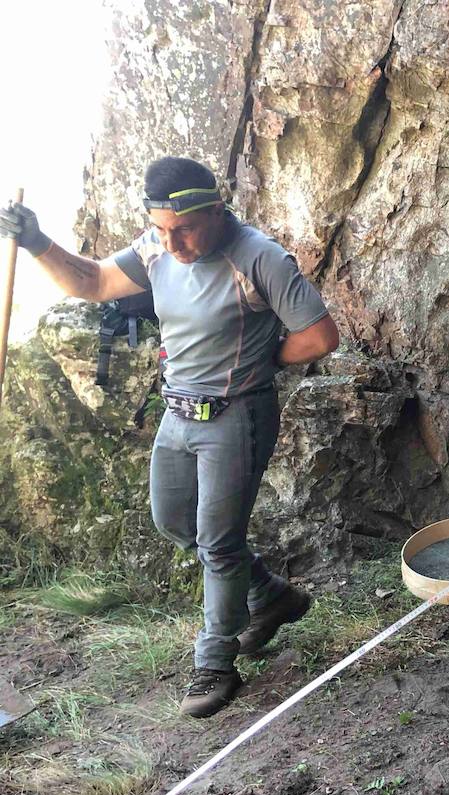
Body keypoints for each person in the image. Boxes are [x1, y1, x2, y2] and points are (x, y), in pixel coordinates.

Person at [0, 157, 340, 718]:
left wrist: (263, 361)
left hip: (237, 416)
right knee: (173, 521)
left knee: (219, 542)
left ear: (214, 208)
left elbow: (319, 334)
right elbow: (94, 282)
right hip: (176, 412)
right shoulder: (157, 248)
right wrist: (38, 242)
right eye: (160, 228)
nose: (171, 241)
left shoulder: (258, 258)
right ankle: (271, 596)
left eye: (183, 227)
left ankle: (216, 661)